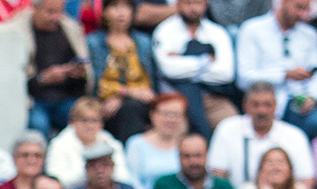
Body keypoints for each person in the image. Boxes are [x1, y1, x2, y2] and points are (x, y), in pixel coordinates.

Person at [151, 0, 239, 137]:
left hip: (213, 97)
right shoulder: (165, 30)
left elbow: (226, 73)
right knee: (175, 131)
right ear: (178, 4)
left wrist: (182, 60)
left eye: (198, 3)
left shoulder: (217, 32)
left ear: (206, 4)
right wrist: (206, 60)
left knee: (232, 126)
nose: (193, 8)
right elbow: (168, 69)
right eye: (188, 3)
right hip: (176, 97)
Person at [206, 81, 312, 189]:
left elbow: (306, 181)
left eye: (267, 104)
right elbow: (217, 174)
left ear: (276, 105)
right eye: (256, 104)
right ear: (245, 105)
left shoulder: (295, 135)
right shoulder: (227, 129)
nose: (262, 111)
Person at [234, 0, 317, 139]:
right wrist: (284, 75)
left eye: (306, 10)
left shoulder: (309, 35)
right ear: (283, 2)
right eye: (299, 8)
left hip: (300, 104)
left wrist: (312, 97)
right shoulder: (252, 29)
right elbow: (244, 78)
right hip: (264, 103)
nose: (302, 15)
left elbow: (314, 73)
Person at [16, 0, 91, 136]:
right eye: (50, 12)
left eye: (59, 12)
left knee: (86, 119)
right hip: (33, 100)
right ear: (35, 9)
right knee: (39, 124)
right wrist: (42, 79)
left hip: (65, 98)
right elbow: (14, 80)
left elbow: (83, 80)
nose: (56, 17)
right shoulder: (18, 31)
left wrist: (77, 74)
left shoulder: (70, 28)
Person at [87, 0, 157, 142]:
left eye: (126, 7)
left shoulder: (143, 42)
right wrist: (124, 93)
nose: (121, 12)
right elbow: (95, 83)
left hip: (139, 101)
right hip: (104, 101)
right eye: (114, 6)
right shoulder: (93, 42)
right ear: (104, 11)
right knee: (123, 110)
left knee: (130, 109)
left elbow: (148, 84)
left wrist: (123, 96)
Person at [47, 96, 136, 189]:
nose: (90, 126)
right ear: (72, 122)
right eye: (84, 120)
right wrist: (92, 172)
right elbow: (55, 182)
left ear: (101, 124)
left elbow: (123, 178)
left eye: (94, 120)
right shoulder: (58, 144)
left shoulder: (112, 144)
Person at [125, 92, 187, 189]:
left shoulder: (187, 146)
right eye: (165, 113)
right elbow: (132, 180)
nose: (171, 119)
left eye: (176, 114)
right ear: (153, 115)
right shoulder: (136, 144)